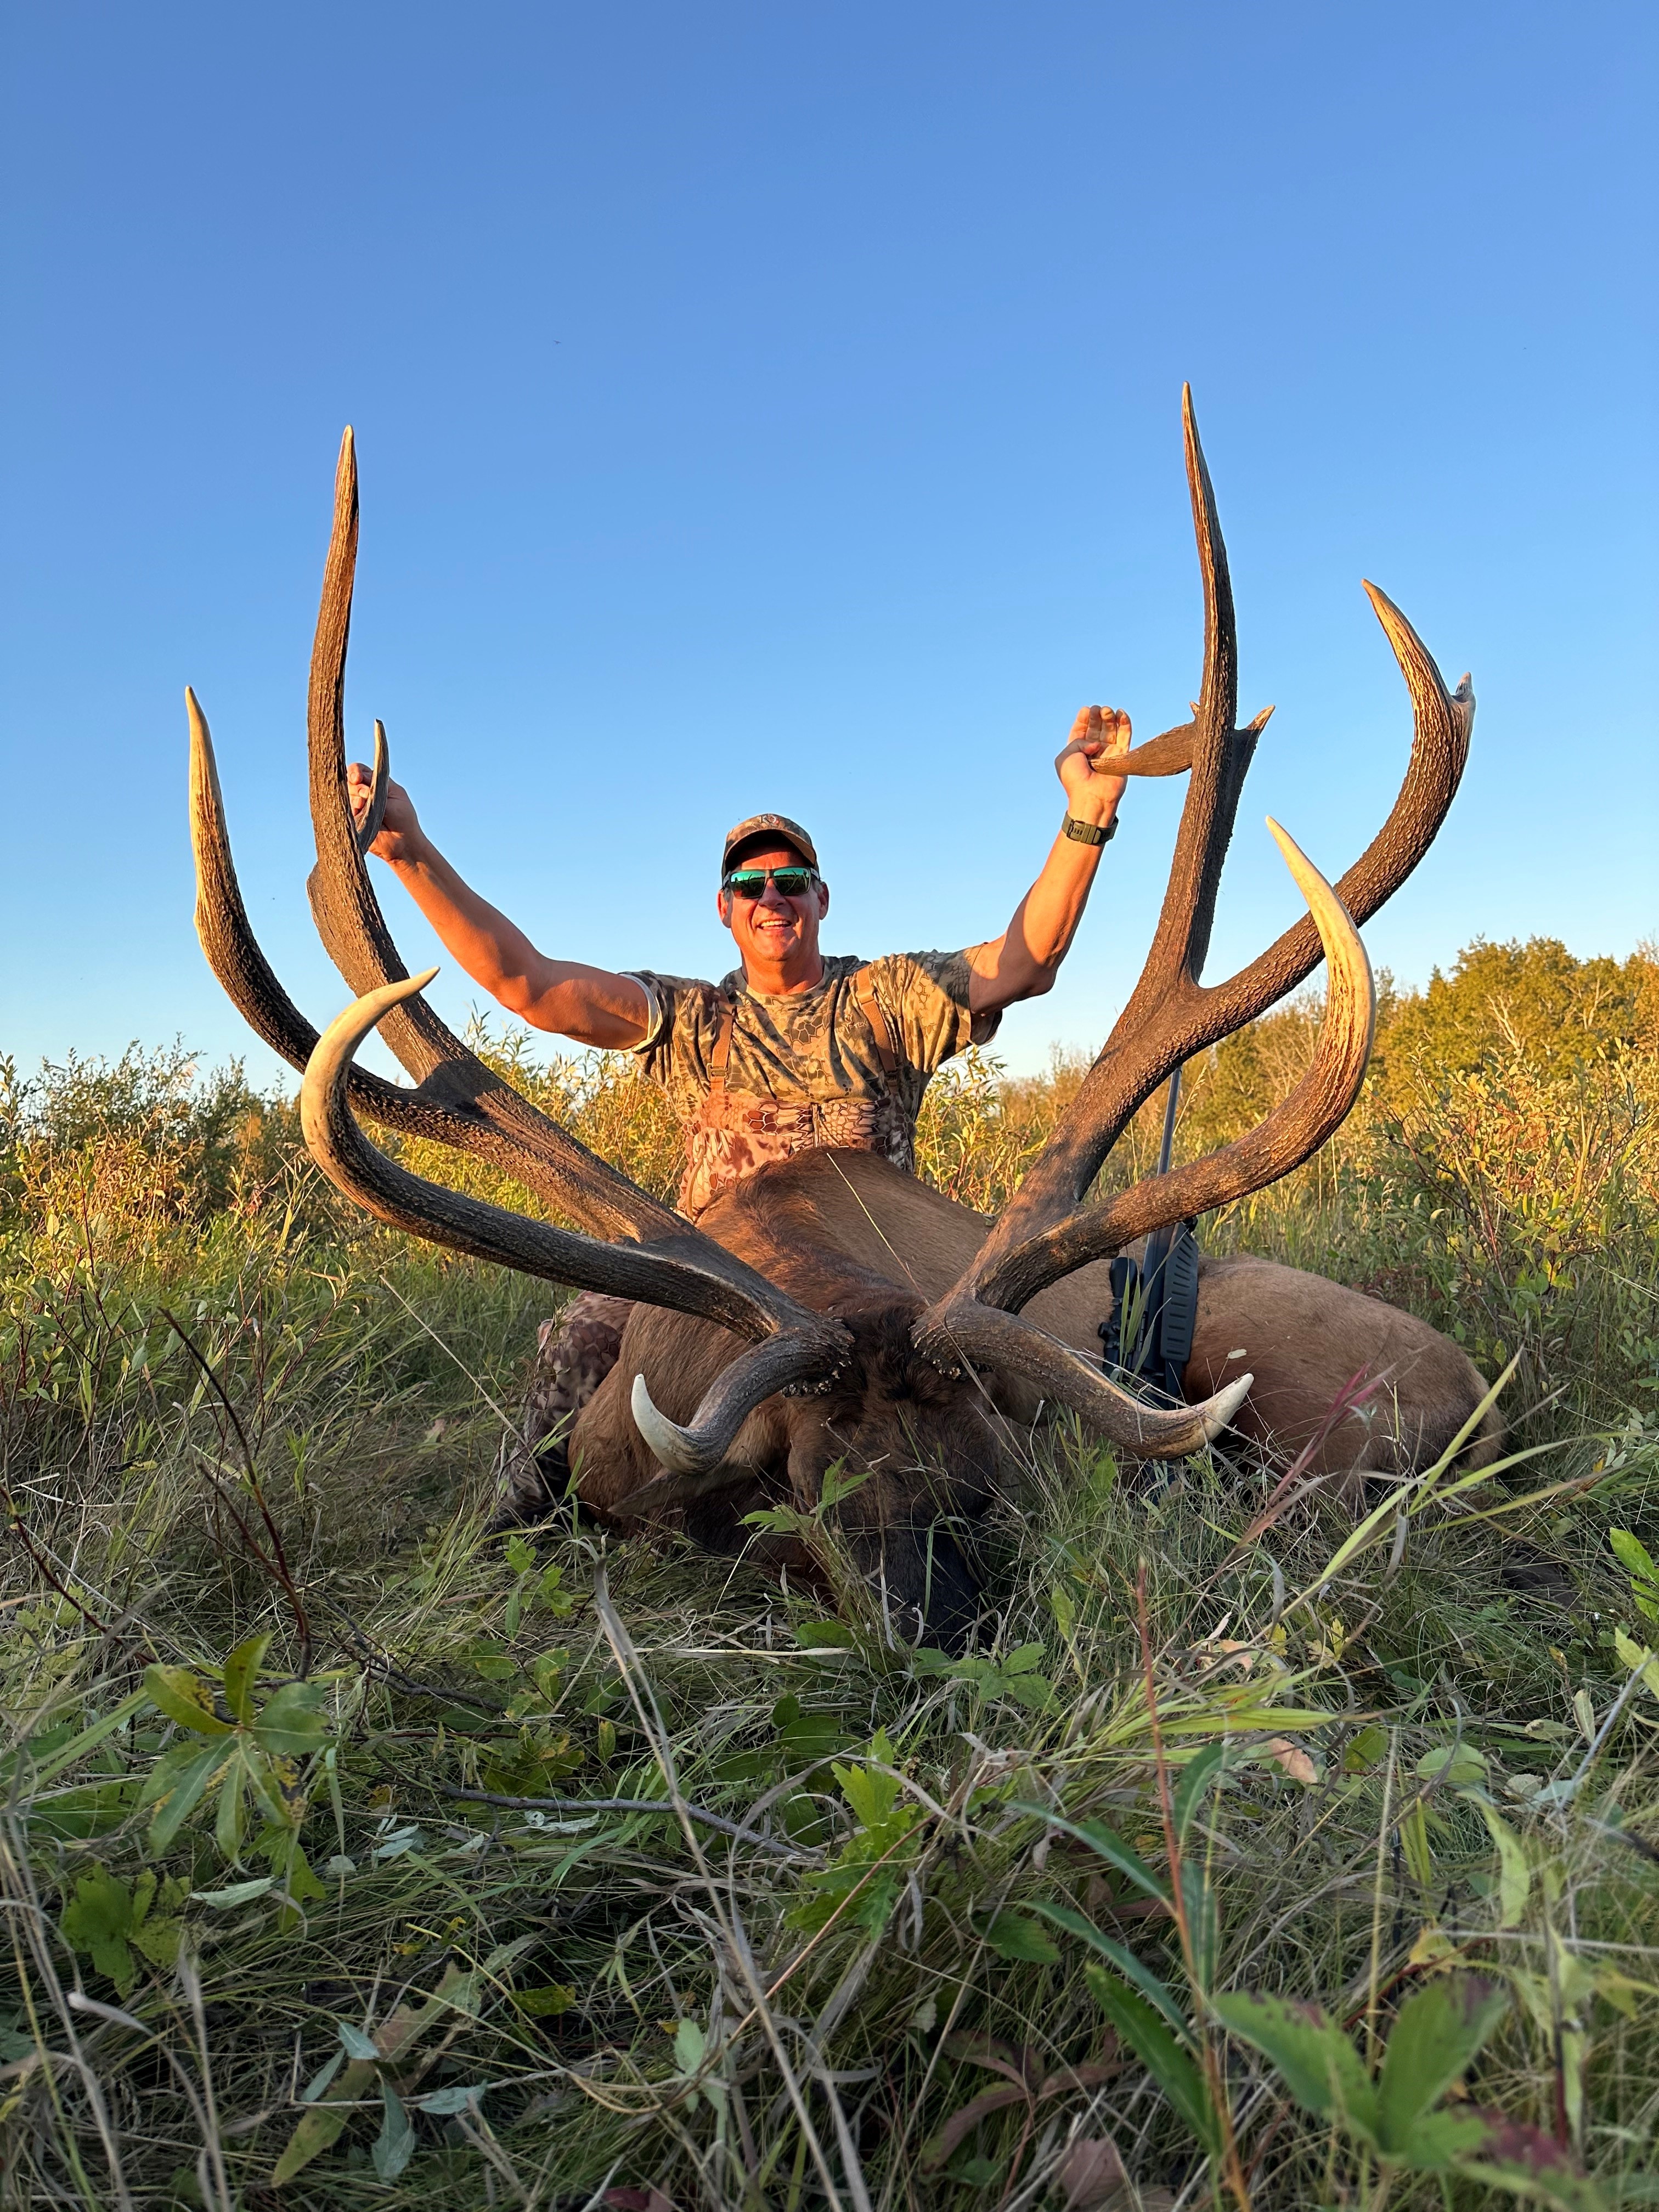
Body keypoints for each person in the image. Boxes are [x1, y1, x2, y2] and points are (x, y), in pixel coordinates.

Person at [348, 707, 1131, 1519]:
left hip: (870, 1296)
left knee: (983, 1391)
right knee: (582, 1339)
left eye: (790, 883)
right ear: (724, 908)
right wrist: (409, 854)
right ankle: (527, 1527)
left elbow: (1025, 962)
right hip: (709, 1294)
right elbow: (531, 987)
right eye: (749, 886)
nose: (771, 897)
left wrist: (1089, 811)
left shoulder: (886, 1001)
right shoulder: (690, 1019)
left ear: (821, 898)